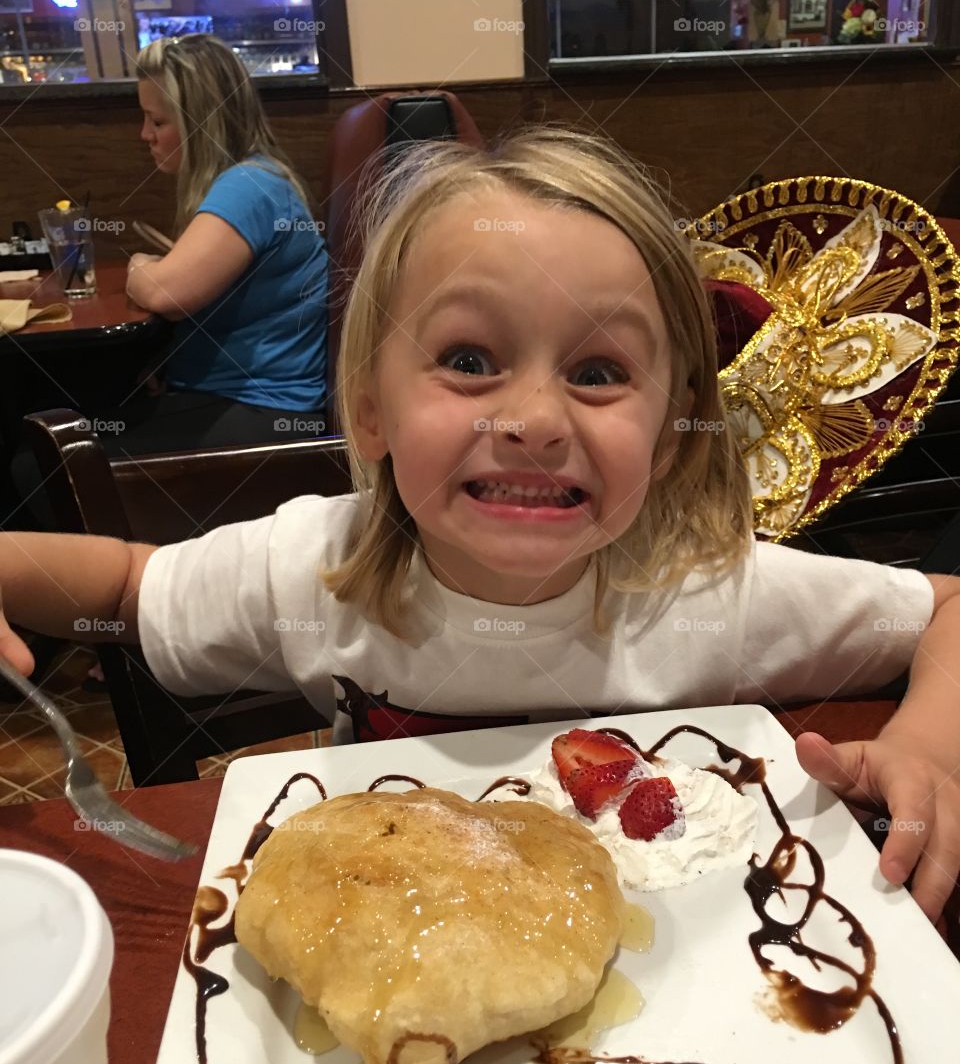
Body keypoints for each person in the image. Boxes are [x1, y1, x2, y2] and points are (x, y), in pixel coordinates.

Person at [0, 129, 958, 923]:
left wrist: (926, 742)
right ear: (371, 410)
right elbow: (122, 587)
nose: (536, 419)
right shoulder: (310, 572)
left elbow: (946, 608)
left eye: (597, 372)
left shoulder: (715, 594)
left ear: (670, 435)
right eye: (468, 358)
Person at [119, 32, 329, 451]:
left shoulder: (248, 186)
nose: (145, 134)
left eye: (157, 121)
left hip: (267, 412)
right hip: (245, 401)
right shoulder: (255, 178)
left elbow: (166, 294)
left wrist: (138, 267)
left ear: (202, 123)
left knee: (37, 464)